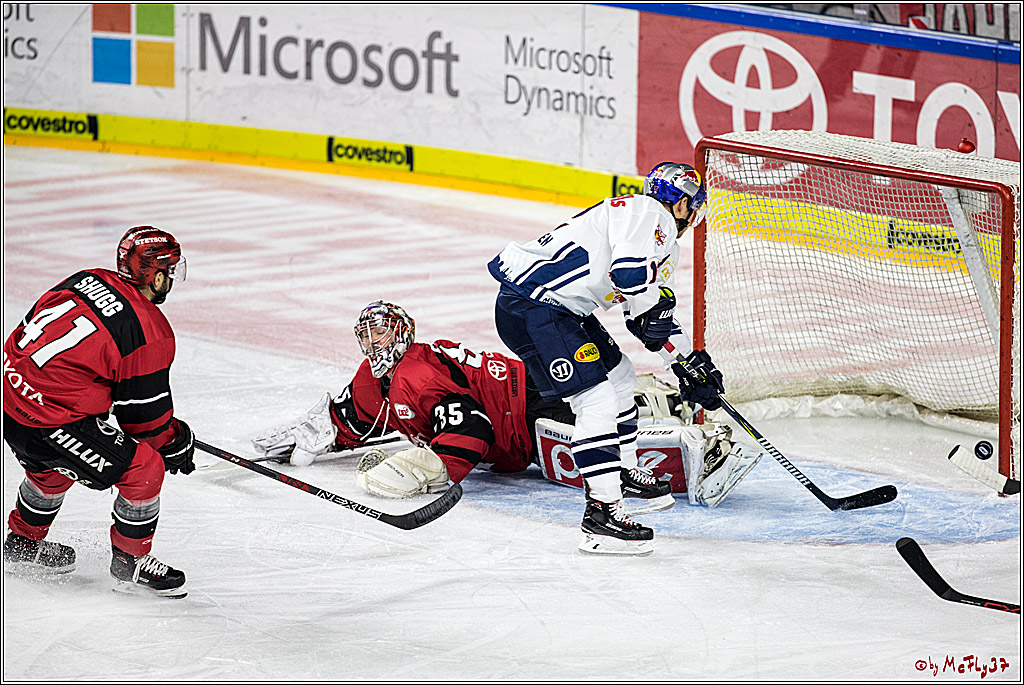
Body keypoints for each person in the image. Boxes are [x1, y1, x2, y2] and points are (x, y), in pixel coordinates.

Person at [252, 301, 759, 520]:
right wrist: (319, 437)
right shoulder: (378, 375)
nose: (374, 342)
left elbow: (472, 431)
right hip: (526, 394)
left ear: (403, 332)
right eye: (366, 334)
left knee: (584, 454)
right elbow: (356, 417)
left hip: (527, 411)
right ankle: (669, 400)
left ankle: (698, 450)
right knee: (605, 407)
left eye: (383, 331)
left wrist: (428, 468)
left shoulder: (417, 374)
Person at [486, 162, 731, 556]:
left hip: (559, 310)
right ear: (681, 202)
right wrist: (660, 312)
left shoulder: (661, 240)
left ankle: (620, 470)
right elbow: (631, 279)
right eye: (692, 204)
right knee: (595, 399)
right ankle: (601, 515)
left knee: (620, 376)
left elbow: (647, 322)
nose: (694, 213)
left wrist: (689, 361)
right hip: (534, 307)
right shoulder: (646, 212)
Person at [3, 226, 196, 598]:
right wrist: (175, 442)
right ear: (155, 275)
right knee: (144, 468)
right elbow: (145, 424)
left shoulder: (86, 278)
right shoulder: (148, 331)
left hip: (9, 397)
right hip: (49, 419)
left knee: (50, 468)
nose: (171, 279)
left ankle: (23, 542)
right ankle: (131, 562)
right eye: (170, 271)